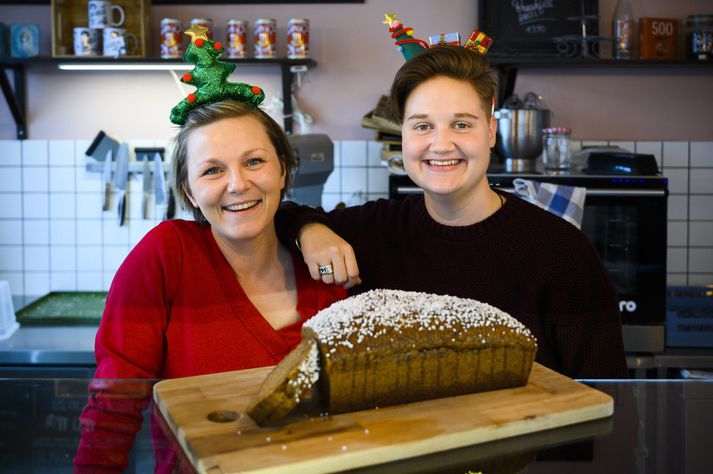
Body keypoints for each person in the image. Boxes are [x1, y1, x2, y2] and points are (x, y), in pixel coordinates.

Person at [75, 30, 345, 472]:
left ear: (283, 170)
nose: (238, 184)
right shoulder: (166, 256)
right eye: (213, 170)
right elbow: (112, 412)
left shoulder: (325, 265)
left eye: (254, 161)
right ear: (189, 190)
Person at [276, 44, 628, 380]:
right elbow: (277, 217)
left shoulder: (562, 253)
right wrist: (309, 231)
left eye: (461, 124)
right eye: (422, 126)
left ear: (490, 131)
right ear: (403, 136)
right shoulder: (375, 231)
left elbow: (606, 399)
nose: (441, 145)